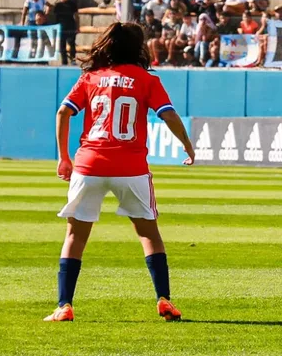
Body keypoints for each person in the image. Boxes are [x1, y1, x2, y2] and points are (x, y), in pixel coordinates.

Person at [46, 22, 195, 322]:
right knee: (149, 234)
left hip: (90, 164)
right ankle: (164, 299)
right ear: (138, 47)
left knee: (75, 235)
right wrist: (187, 145)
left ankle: (64, 306)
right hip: (131, 168)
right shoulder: (147, 80)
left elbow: (64, 112)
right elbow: (168, 114)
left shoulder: (91, 78)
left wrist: (63, 158)